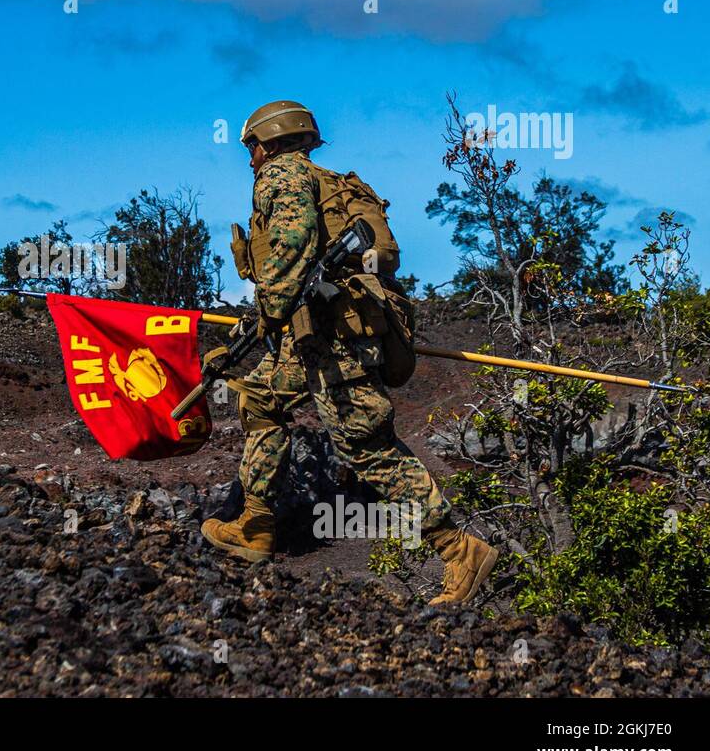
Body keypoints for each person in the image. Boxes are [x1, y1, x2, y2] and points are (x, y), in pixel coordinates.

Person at [200, 100, 498, 605]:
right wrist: (252, 334)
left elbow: (291, 251)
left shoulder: (280, 177)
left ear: (268, 141)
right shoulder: (329, 182)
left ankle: (459, 549)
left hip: (335, 340)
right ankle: (256, 524)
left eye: (250, 145)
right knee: (259, 398)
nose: (249, 156)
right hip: (313, 335)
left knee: (366, 446)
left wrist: (268, 314)